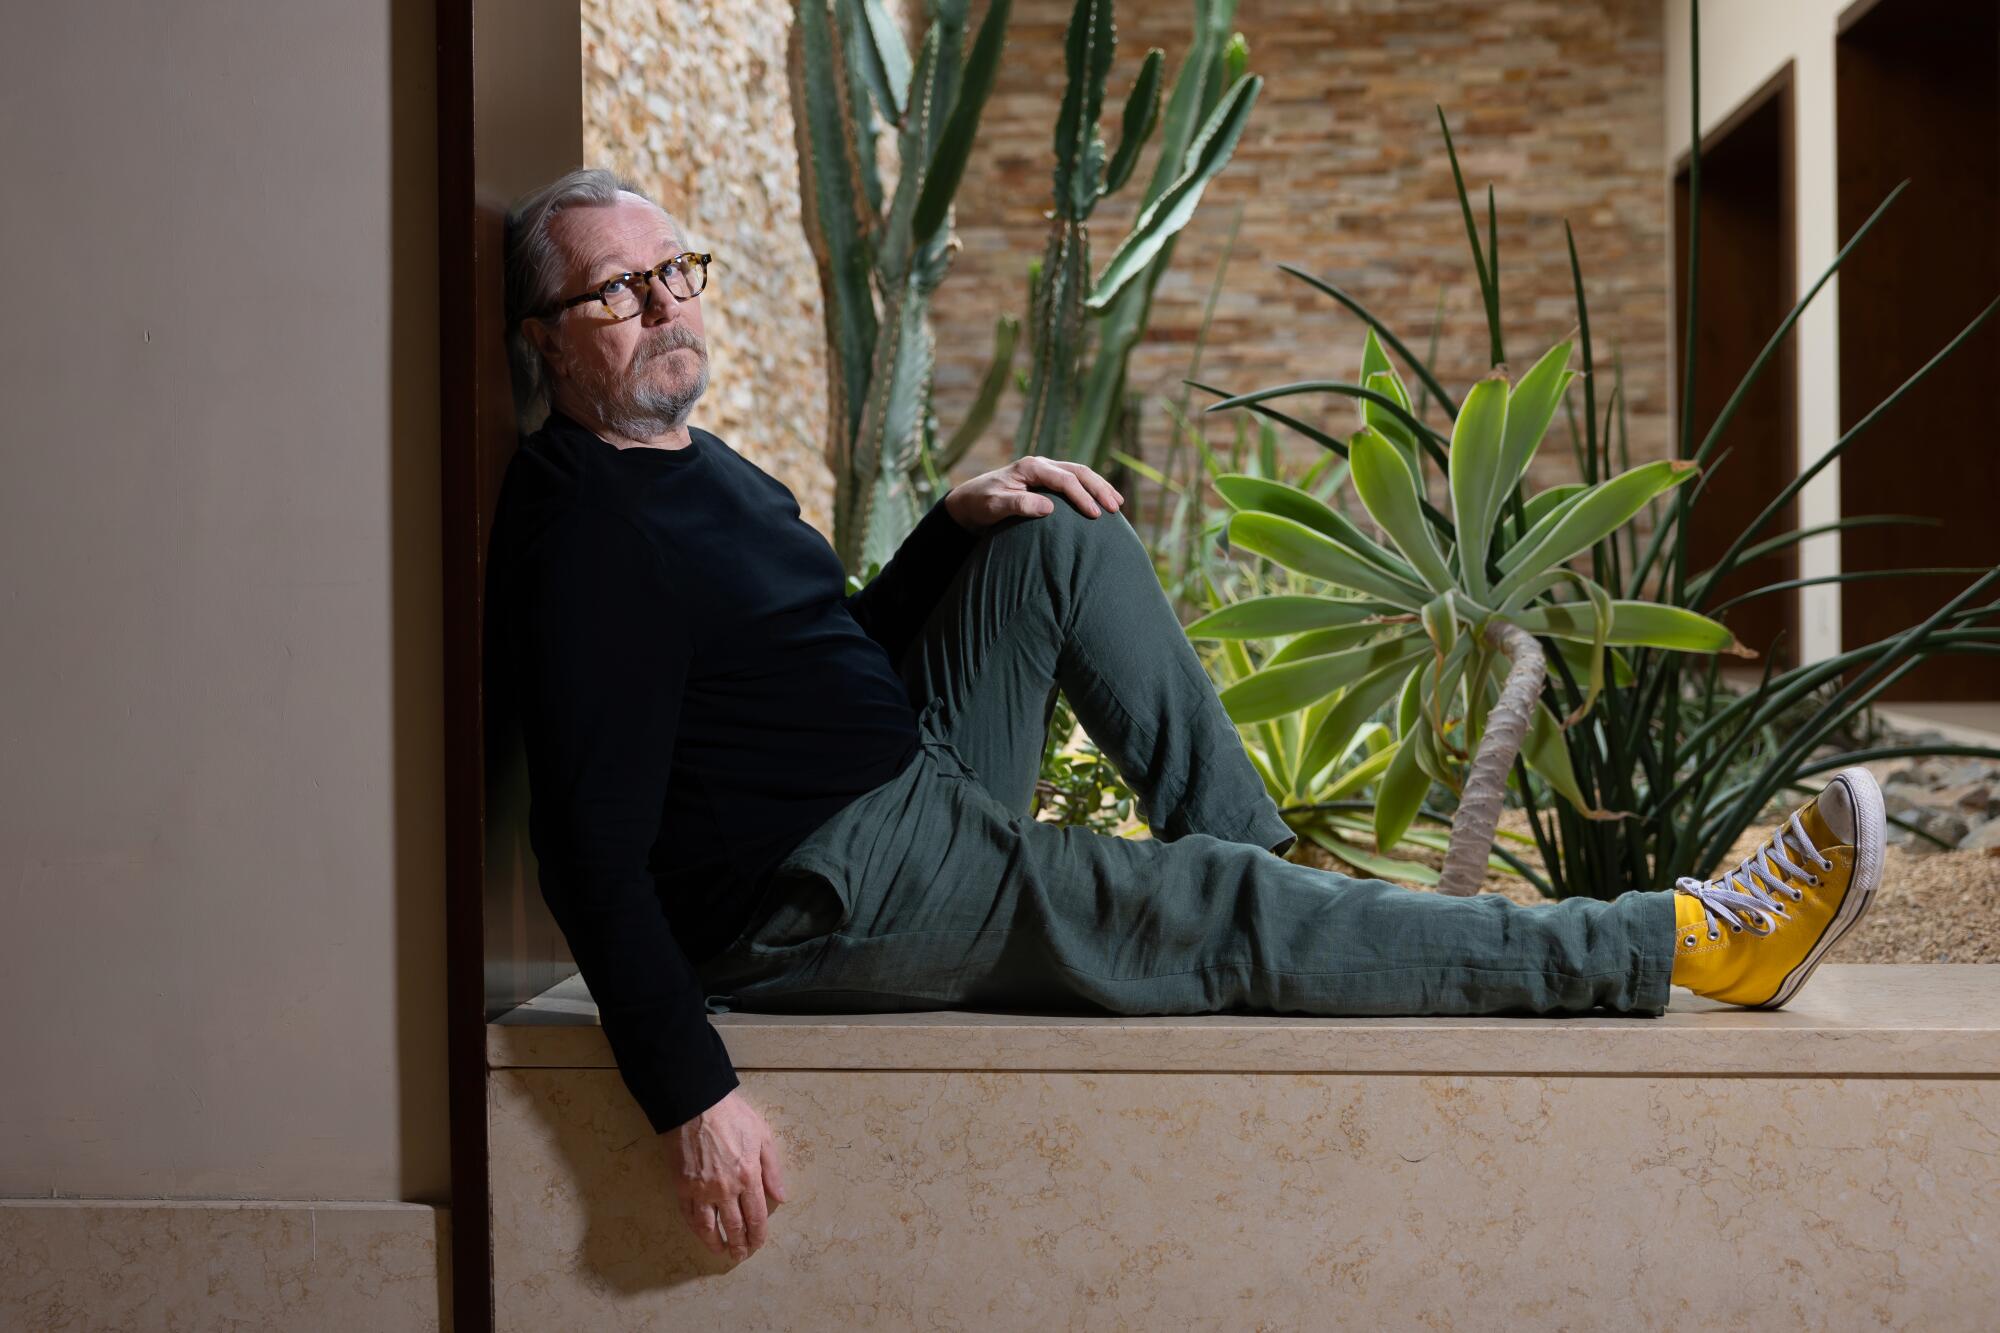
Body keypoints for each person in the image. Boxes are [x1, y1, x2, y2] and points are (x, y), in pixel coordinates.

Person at [485, 168, 1886, 1266]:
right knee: (1206, 909)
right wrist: (690, 1094)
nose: (670, 305)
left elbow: (809, 663)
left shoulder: (684, 458)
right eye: (621, 293)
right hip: (829, 885)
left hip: (891, 777)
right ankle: (1687, 943)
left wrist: (945, 535)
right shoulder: (589, 537)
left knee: (1054, 531)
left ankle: (1261, 881)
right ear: (547, 344)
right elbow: (587, 850)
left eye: (678, 270)